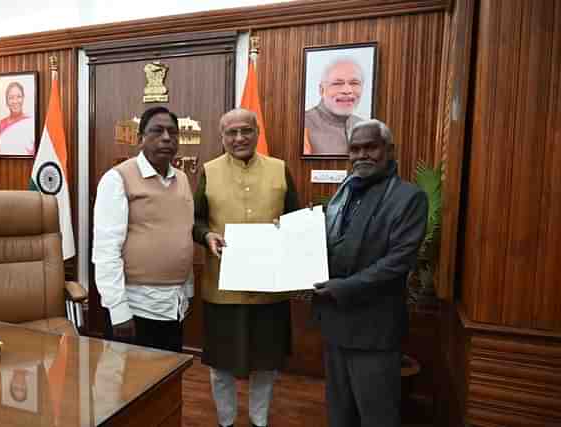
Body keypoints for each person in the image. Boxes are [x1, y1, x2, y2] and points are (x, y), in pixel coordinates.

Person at [312, 119, 428, 427]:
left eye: (370, 147)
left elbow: (397, 262)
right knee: (339, 415)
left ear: (389, 151)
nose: (362, 155)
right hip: (335, 324)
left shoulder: (408, 198)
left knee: (377, 417)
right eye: (355, 149)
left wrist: (344, 287)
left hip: (374, 332)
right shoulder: (344, 194)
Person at [193, 108, 299, 427]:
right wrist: (207, 234)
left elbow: (295, 218)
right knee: (221, 364)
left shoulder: (280, 169)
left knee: (266, 364)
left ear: (256, 133)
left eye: (246, 131)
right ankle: (225, 421)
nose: (239, 138)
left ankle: (259, 420)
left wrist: (289, 229)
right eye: (231, 133)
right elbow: (195, 221)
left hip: (270, 290)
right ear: (222, 137)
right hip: (222, 288)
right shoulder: (209, 171)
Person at [92, 106, 194, 353]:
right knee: (126, 386)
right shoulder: (117, 179)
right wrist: (118, 310)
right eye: (157, 131)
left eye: (172, 132)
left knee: (166, 382)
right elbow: (106, 250)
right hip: (134, 307)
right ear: (140, 139)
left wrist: (188, 291)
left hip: (174, 305)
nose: (167, 138)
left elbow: (183, 235)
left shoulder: (181, 178)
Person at [303, 58, 365, 155]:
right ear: (321, 90)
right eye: (337, 83)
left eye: (354, 83)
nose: (347, 90)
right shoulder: (302, 125)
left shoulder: (365, 127)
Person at [0, 81, 35, 156]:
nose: (15, 101)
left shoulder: (31, 122)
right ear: (7, 101)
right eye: (11, 98)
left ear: (23, 98)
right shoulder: (1, 124)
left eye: (19, 97)